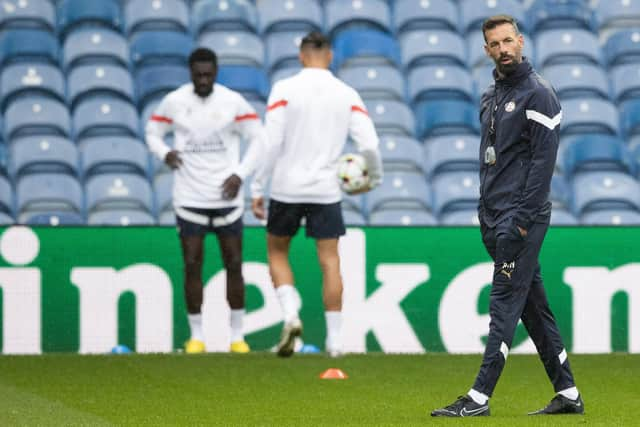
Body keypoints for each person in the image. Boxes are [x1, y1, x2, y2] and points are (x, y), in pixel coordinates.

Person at [432, 15, 583, 417]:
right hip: (494, 216)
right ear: (487, 51)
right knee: (533, 307)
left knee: (503, 304)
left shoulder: (540, 94)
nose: (503, 49)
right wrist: (487, 212)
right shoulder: (490, 96)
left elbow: (541, 167)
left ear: (520, 41)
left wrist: (519, 220)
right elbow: (493, 161)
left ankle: (479, 396)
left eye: (507, 41)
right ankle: (568, 393)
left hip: (522, 219)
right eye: (494, 44)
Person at [251, 31, 383, 358]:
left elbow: (272, 142)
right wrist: (374, 177)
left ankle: (290, 315)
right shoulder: (346, 92)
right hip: (326, 190)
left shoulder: (284, 89)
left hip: (286, 186)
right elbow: (369, 145)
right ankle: (335, 343)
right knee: (330, 260)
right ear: (331, 55)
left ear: (301, 55)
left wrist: (257, 186)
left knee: (278, 252)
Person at [146, 48, 266, 354]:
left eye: (208, 74)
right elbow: (152, 131)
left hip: (227, 198)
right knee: (192, 265)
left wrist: (240, 174)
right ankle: (196, 336)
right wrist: (164, 153)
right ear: (190, 73)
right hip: (189, 198)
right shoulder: (175, 101)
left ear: (216, 73)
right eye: (198, 74)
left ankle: (237, 337)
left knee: (234, 264)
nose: (203, 80)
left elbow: (258, 138)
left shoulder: (232, 101)